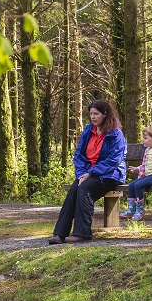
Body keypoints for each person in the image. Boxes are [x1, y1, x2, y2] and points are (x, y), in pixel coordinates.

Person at [49, 100, 127, 244]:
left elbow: (113, 160)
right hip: (88, 173)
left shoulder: (115, 133)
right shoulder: (88, 130)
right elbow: (79, 155)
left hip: (110, 174)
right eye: (91, 114)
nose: (93, 117)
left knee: (84, 189)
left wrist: (90, 173)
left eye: (96, 114)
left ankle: (82, 233)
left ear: (105, 114)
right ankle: (60, 233)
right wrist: (81, 174)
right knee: (74, 190)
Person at [122, 126, 152, 222]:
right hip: (149, 175)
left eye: (145, 138)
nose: (143, 140)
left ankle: (140, 210)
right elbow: (146, 165)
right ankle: (132, 209)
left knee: (138, 185)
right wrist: (138, 169)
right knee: (131, 185)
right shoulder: (148, 150)